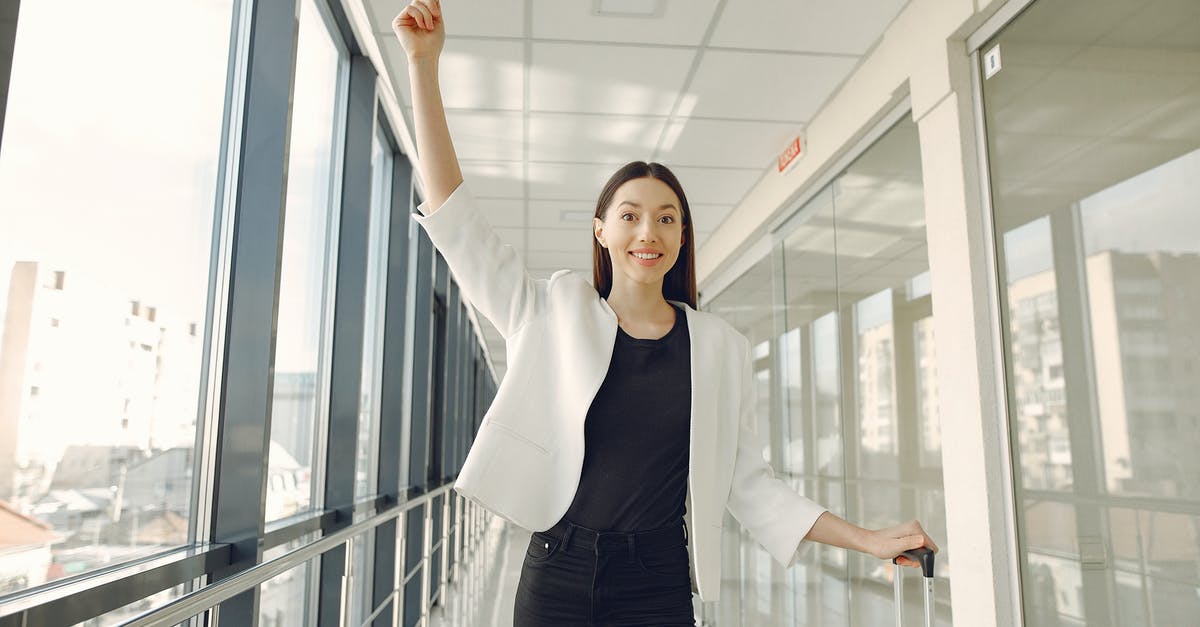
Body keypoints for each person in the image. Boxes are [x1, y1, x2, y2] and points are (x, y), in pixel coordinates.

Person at [393, 2, 939, 625]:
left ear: (681, 240)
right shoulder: (550, 312)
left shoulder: (718, 349)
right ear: (601, 231)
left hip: (657, 582)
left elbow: (751, 485)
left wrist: (870, 541)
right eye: (629, 214)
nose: (647, 230)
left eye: (666, 217)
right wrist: (423, 67)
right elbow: (458, 225)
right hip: (557, 574)